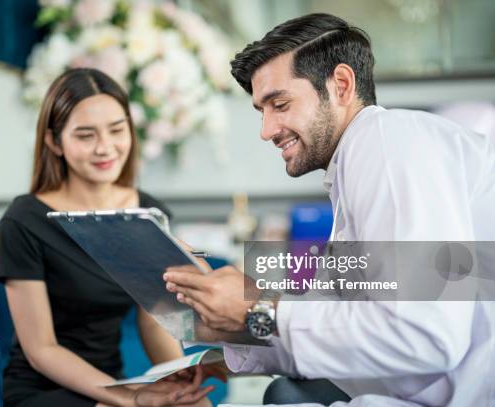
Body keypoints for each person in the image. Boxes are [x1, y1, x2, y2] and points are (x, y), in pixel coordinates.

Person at [163, 13, 495, 406]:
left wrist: (258, 306)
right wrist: (228, 346)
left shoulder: (388, 143)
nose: (266, 130)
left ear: (341, 85)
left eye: (280, 104)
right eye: (261, 111)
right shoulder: (356, 170)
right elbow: (335, 325)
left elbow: (426, 335)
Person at [0, 68, 213, 407]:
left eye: (116, 130)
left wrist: (177, 377)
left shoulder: (148, 213)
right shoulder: (24, 220)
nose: (105, 148)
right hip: (44, 388)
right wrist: (127, 398)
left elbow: (154, 320)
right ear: (54, 141)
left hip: (114, 379)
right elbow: (41, 350)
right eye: (85, 135)